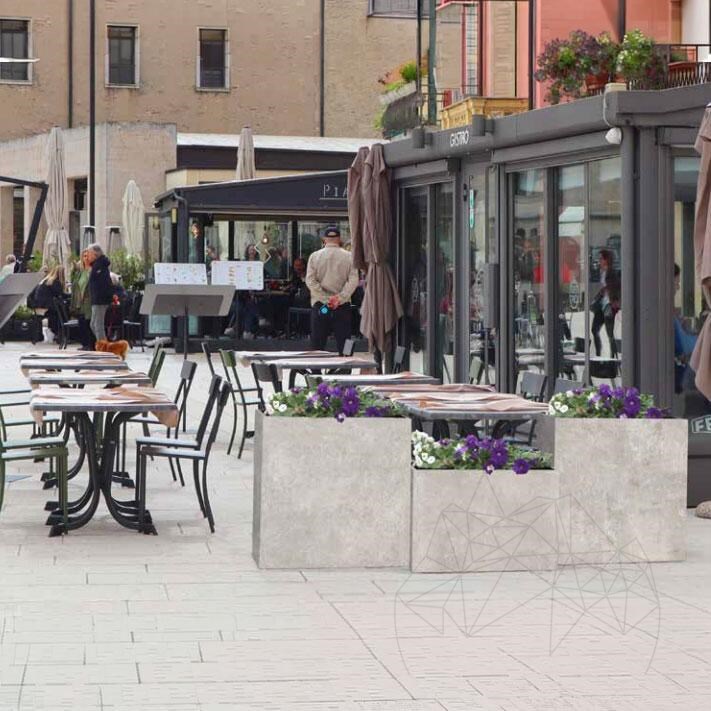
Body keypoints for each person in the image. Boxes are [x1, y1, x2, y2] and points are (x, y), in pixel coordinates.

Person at [305, 226, 358, 354]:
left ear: (324, 239)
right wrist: (339, 298)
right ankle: (347, 365)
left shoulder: (314, 256)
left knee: (317, 343)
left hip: (321, 306)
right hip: (341, 306)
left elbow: (310, 281)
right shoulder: (349, 257)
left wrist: (326, 299)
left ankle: (316, 366)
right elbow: (353, 281)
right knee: (345, 342)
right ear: (339, 239)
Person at [590, 248, 620, 357]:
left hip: (609, 305)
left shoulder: (612, 272)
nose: (599, 261)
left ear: (606, 260)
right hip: (602, 305)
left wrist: (614, 300)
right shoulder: (602, 272)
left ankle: (613, 356)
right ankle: (598, 353)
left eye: (601, 259)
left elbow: (616, 287)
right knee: (594, 329)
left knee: (610, 333)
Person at [674, 263, 698, 393]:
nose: (678, 287)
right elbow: (683, 346)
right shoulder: (667, 314)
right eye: (677, 282)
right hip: (677, 378)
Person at [86, 243, 113, 343]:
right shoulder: (97, 265)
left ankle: (104, 347)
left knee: (98, 325)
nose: (87, 256)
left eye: (89, 253)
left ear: (95, 254)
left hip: (100, 299)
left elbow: (102, 283)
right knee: (93, 324)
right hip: (96, 299)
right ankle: (103, 343)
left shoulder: (100, 265)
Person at [33, 265, 66, 340]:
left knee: (57, 312)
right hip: (45, 306)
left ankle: (55, 332)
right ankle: (59, 333)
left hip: (39, 304)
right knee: (61, 313)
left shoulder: (48, 280)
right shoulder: (55, 281)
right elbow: (60, 294)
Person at [71, 250, 94, 350]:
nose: (86, 258)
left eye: (88, 256)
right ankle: (85, 344)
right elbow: (76, 285)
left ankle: (91, 344)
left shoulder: (92, 271)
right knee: (82, 323)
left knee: (89, 322)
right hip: (79, 301)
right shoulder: (80, 272)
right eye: (84, 256)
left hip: (89, 300)